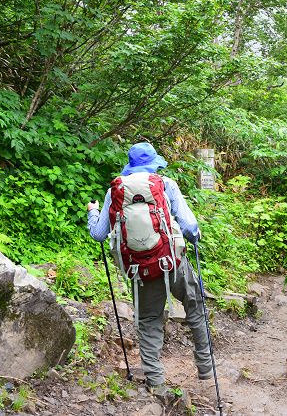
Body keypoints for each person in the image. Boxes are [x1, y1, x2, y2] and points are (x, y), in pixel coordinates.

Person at [86, 142, 213, 398]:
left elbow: (99, 235)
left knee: (148, 320)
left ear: (130, 165)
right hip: (173, 262)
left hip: (141, 270)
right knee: (195, 304)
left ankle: (155, 382)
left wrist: (92, 211)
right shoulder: (165, 184)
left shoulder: (116, 191)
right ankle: (205, 367)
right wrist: (195, 237)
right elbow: (189, 227)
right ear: (154, 162)